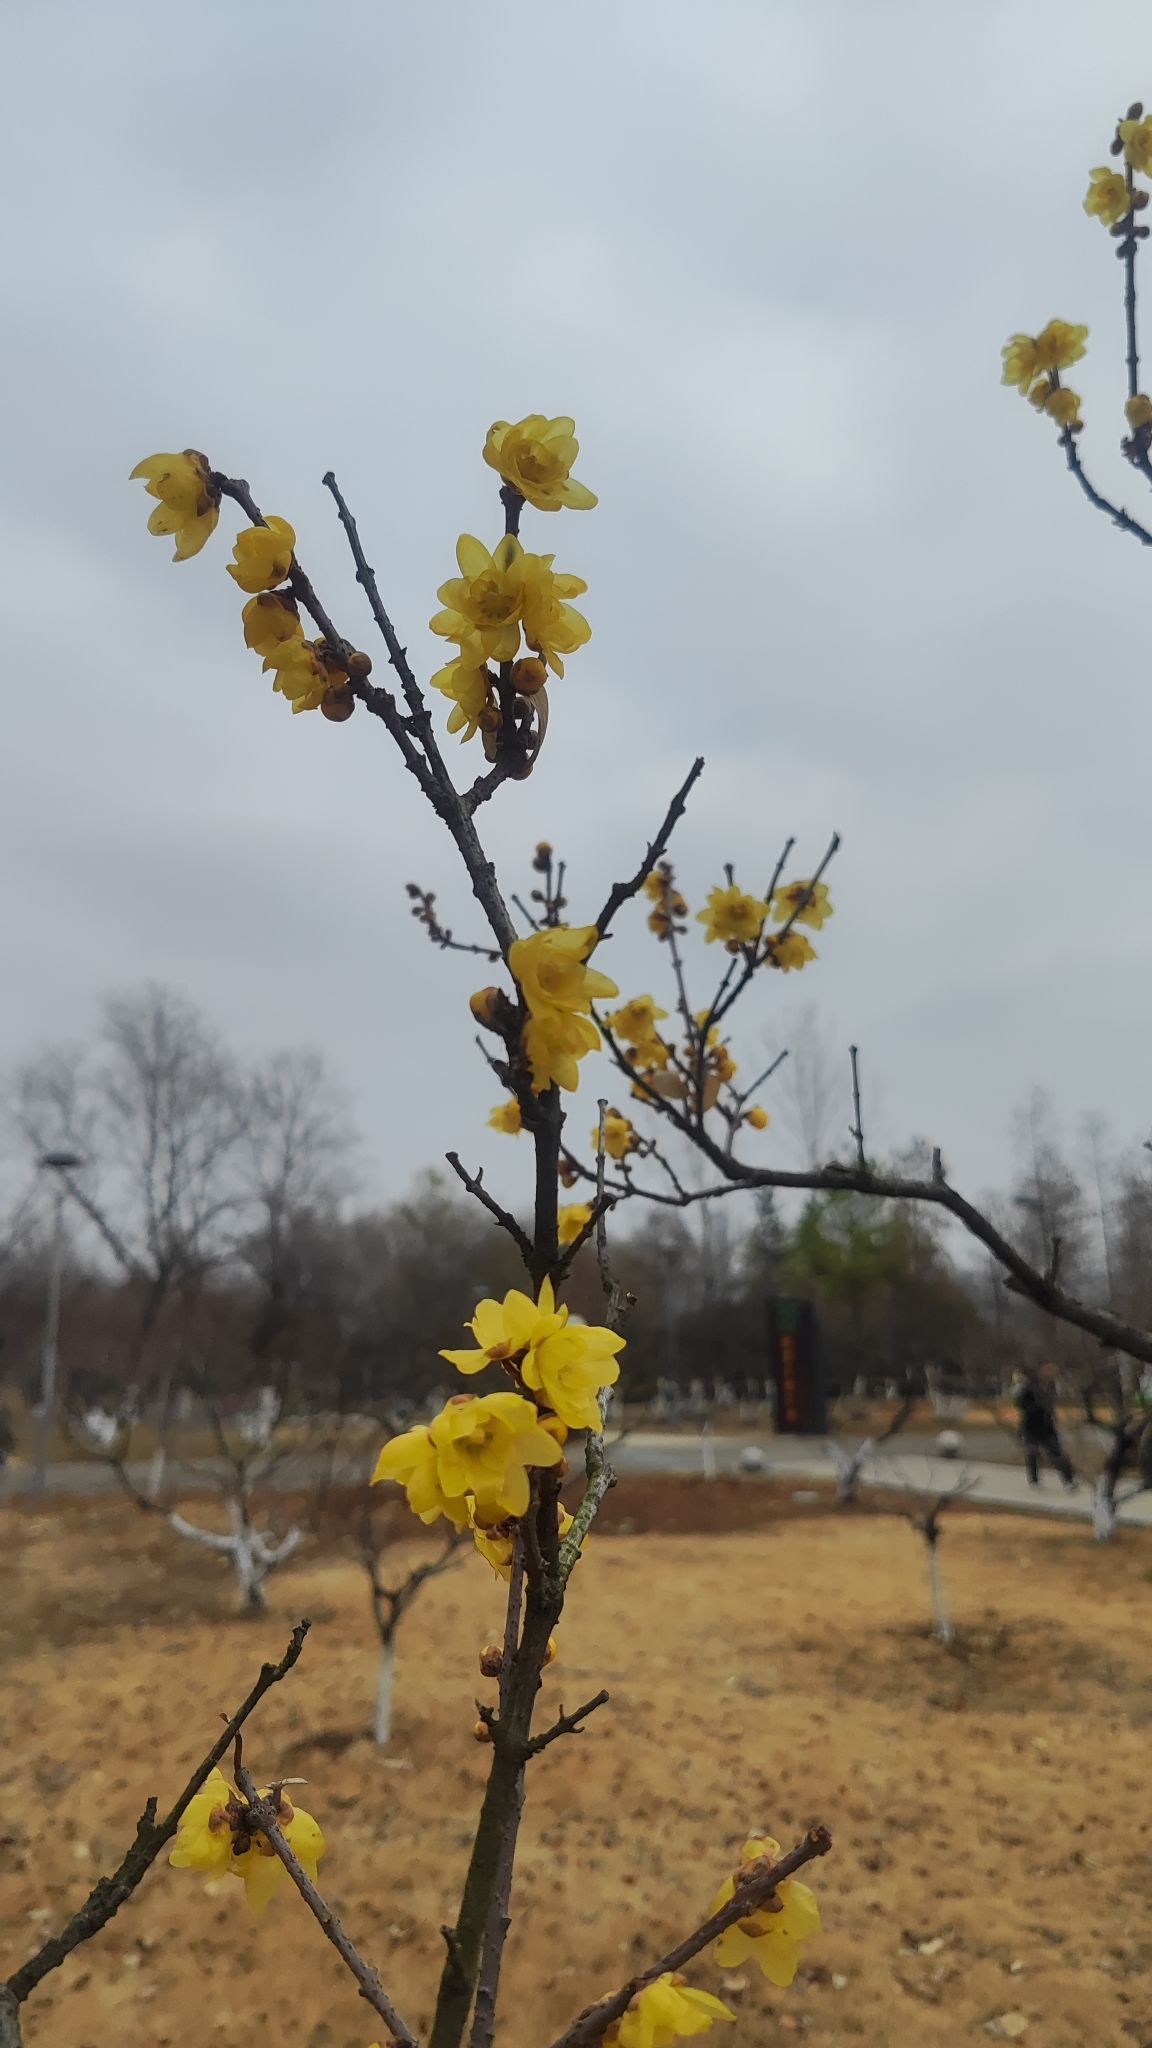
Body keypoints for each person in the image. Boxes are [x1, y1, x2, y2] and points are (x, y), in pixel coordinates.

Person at [1013, 1363, 1076, 1488]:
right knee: (1033, 1453)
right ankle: (1034, 1480)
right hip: (1032, 1425)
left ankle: (1068, 1480)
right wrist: (1034, 1408)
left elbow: (1050, 1404)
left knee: (1057, 1452)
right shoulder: (1029, 1387)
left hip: (1047, 1426)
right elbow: (1020, 1403)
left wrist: (1052, 1415)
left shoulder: (1051, 1387)